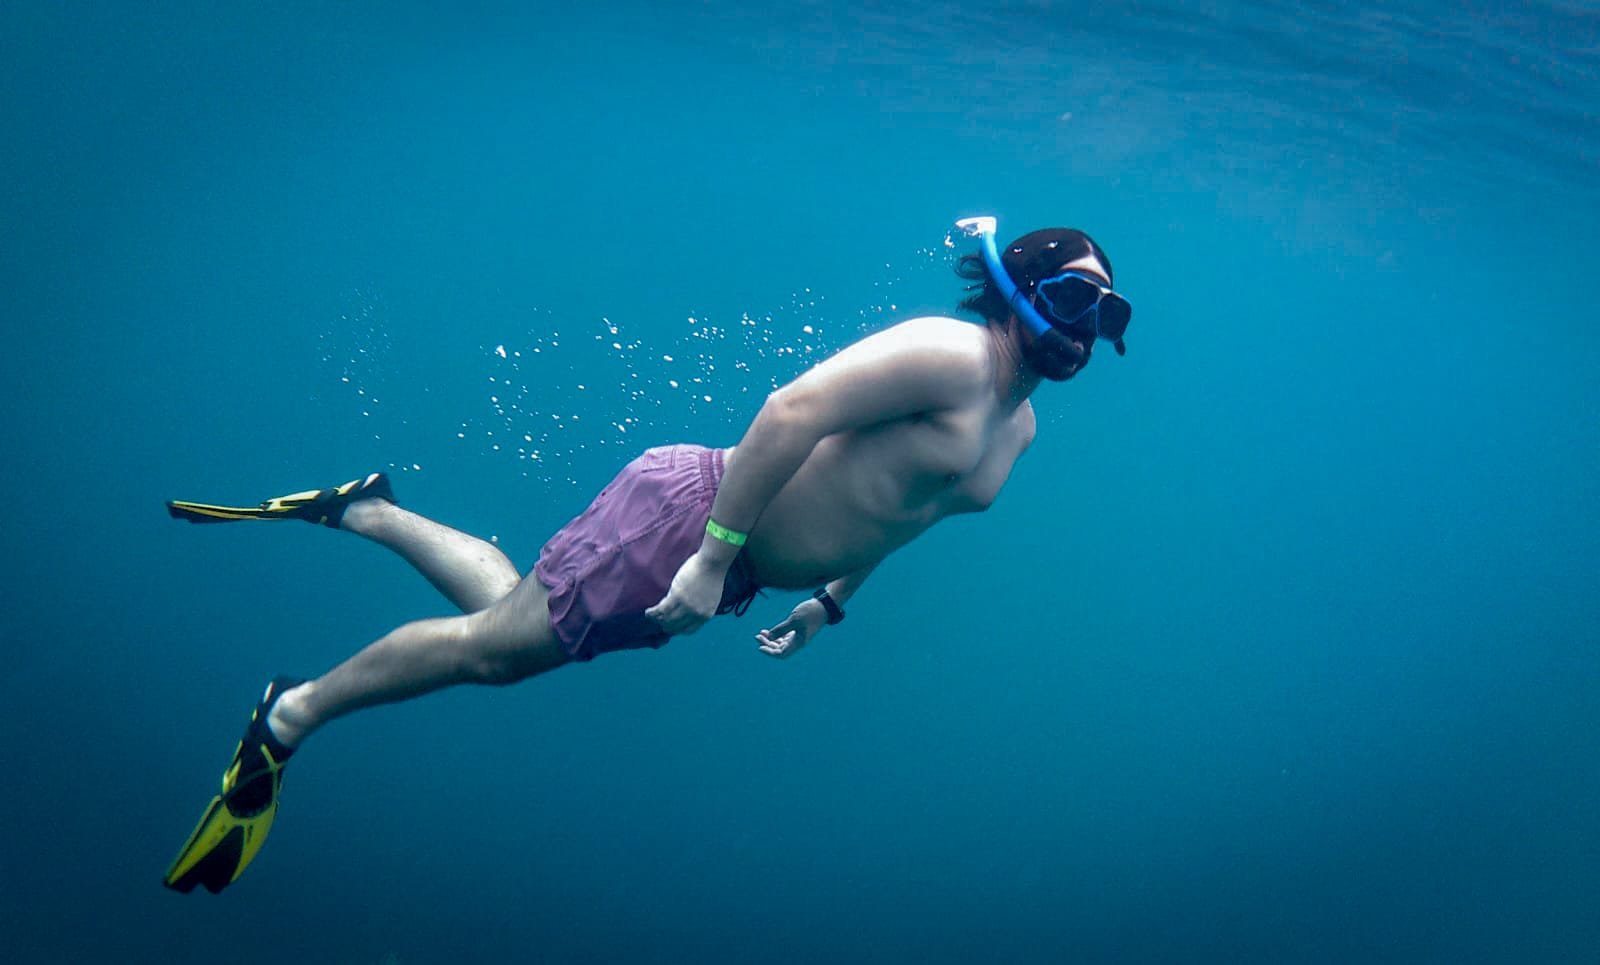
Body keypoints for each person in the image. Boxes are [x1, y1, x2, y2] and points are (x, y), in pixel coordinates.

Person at [161, 216, 1133, 894]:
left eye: (1104, 313)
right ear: (1013, 291)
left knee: (519, 626)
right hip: (695, 521)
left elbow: (904, 514)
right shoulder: (950, 354)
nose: (1086, 330)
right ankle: (288, 716)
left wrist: (828, 600)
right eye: (1071, 300)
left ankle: (367, 510)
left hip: (730, 567)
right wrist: (712, 554)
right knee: (498, 651)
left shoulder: (1017, 429)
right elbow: (790, 411)